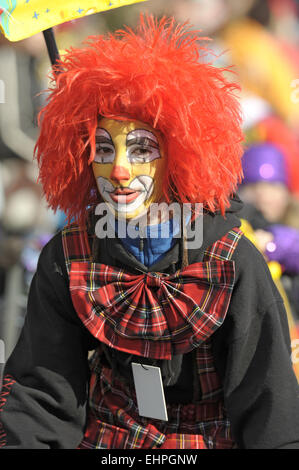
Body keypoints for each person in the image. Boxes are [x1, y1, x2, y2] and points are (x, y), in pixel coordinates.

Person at [0, 15, 298, 450]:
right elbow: (43, 393)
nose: (119, 170)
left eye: (141, 149)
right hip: (108, 440)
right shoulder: (69, 255)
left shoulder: (231, 259)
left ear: (179, 155)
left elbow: (270, 408)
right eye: (104, 148)